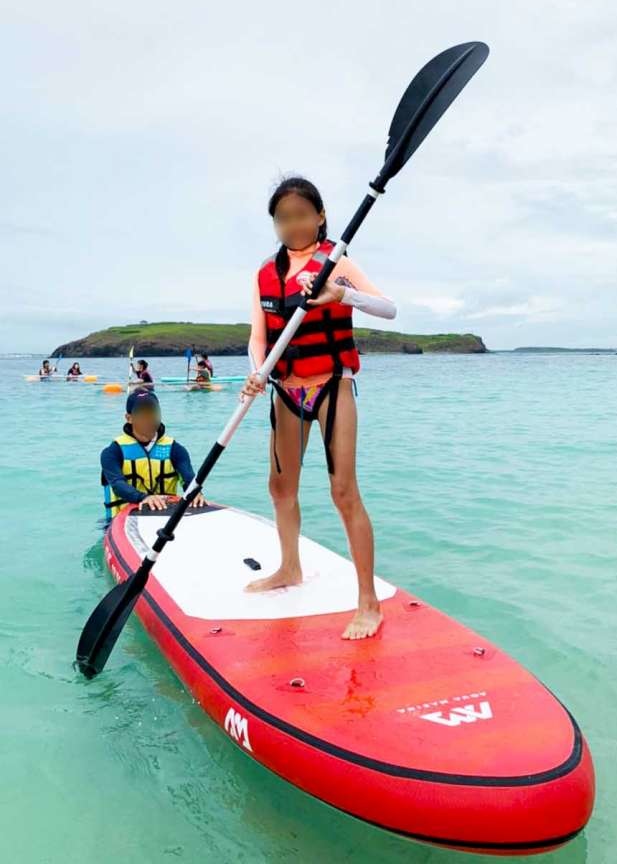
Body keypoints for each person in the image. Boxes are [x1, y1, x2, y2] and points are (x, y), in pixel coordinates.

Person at [242, 176, 396, 640]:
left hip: (330, 385)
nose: (293, 225)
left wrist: (341, 293)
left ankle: (368, 601)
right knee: (279, 487)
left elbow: (388, 309)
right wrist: (257, 369)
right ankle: (289, 566)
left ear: (321, 215)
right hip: (286, 388)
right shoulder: (265, 272)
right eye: (283, 218)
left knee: (343, 491)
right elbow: (258, 335)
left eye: (301, 215)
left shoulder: (336, 262)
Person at [100, 389, 205, 517]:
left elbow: (189, 479)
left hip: (165, 516)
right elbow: (117, 484)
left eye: (153, 412)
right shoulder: (113, 452)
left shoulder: (175, 449)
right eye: (142, 413)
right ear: (129, 418)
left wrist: (195, 493)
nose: (149, 418)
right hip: (121, 522)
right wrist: (143, 498)